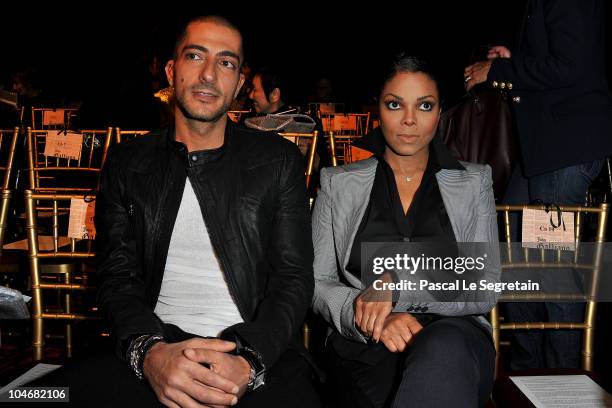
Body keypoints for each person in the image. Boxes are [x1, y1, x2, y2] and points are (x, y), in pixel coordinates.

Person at [29, 15, 321, 408]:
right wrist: (150, 353)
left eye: (226, 63)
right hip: (155, 344)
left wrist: (249, 360)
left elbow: (293, 279)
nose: (208, 74)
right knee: (32, 395)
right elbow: (116, 277)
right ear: (172, 70)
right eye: (195, 56)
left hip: (254, 351)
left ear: (238, 84)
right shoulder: (128, 162)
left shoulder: (277, 159)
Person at [311, 54, 498, 408]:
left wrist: (396, 285)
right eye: (395, 104)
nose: (409, 120)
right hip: (363, 344)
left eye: (424, 105)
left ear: (440, 112)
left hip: (454, 333)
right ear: (377, 110)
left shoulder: (474, 182)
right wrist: (367, 315)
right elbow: (317, 282)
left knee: (442, 352)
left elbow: (485, 284)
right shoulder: (338, 183)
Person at [464, 0, 612, 369]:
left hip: (565, 146)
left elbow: (570, 66)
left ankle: (559, 379)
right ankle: (527, 370)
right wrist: (514, 58)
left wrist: (500, 68)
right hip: (545, 150)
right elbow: (560, 57)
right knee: (515, 259)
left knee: (550, 266)